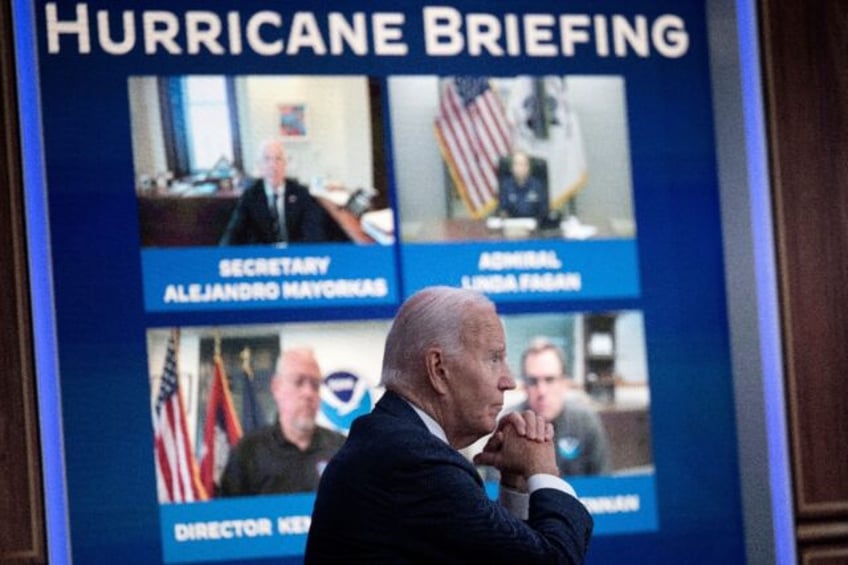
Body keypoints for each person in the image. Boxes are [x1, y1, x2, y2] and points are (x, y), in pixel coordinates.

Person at [306, 286, 593, 563]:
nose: (509, 381)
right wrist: (543, 470)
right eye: (494, 358)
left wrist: (516, 484)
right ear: (438, 369)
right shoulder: (412, 462)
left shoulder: (392, 443)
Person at [217, 347, 345, 496]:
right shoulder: (248, 453)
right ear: (276, 387)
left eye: (315, 385)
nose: (308, 393)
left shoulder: (342, 448)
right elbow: (228, 515)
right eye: (299, 382)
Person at [519, 338, 611, 476]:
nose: (541, 391)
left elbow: (605, 485)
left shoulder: (585, 422)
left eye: (550, 380)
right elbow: (494, 491)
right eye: (533, 381)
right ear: (525, 386)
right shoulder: (510, 425)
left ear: (564, 383)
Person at [219, 139, 328, 244]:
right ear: (260, 165)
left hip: (294, 256)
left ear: (285, 164)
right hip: (263, 258)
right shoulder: (250, 196)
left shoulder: (301, 194)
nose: (273, 165)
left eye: (278, 159)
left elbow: (314, 234)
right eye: (267, 159)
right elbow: (233, 235)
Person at [497, 150, 550, 221]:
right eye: (516, 164)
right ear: (511, 168)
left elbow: (544, 211)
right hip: (512, 226)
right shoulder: (505, 186)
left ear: (529, 167)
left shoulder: (538, 186)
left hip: (534, 226)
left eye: (522, 164)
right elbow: (502, 210)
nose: (519, 168)